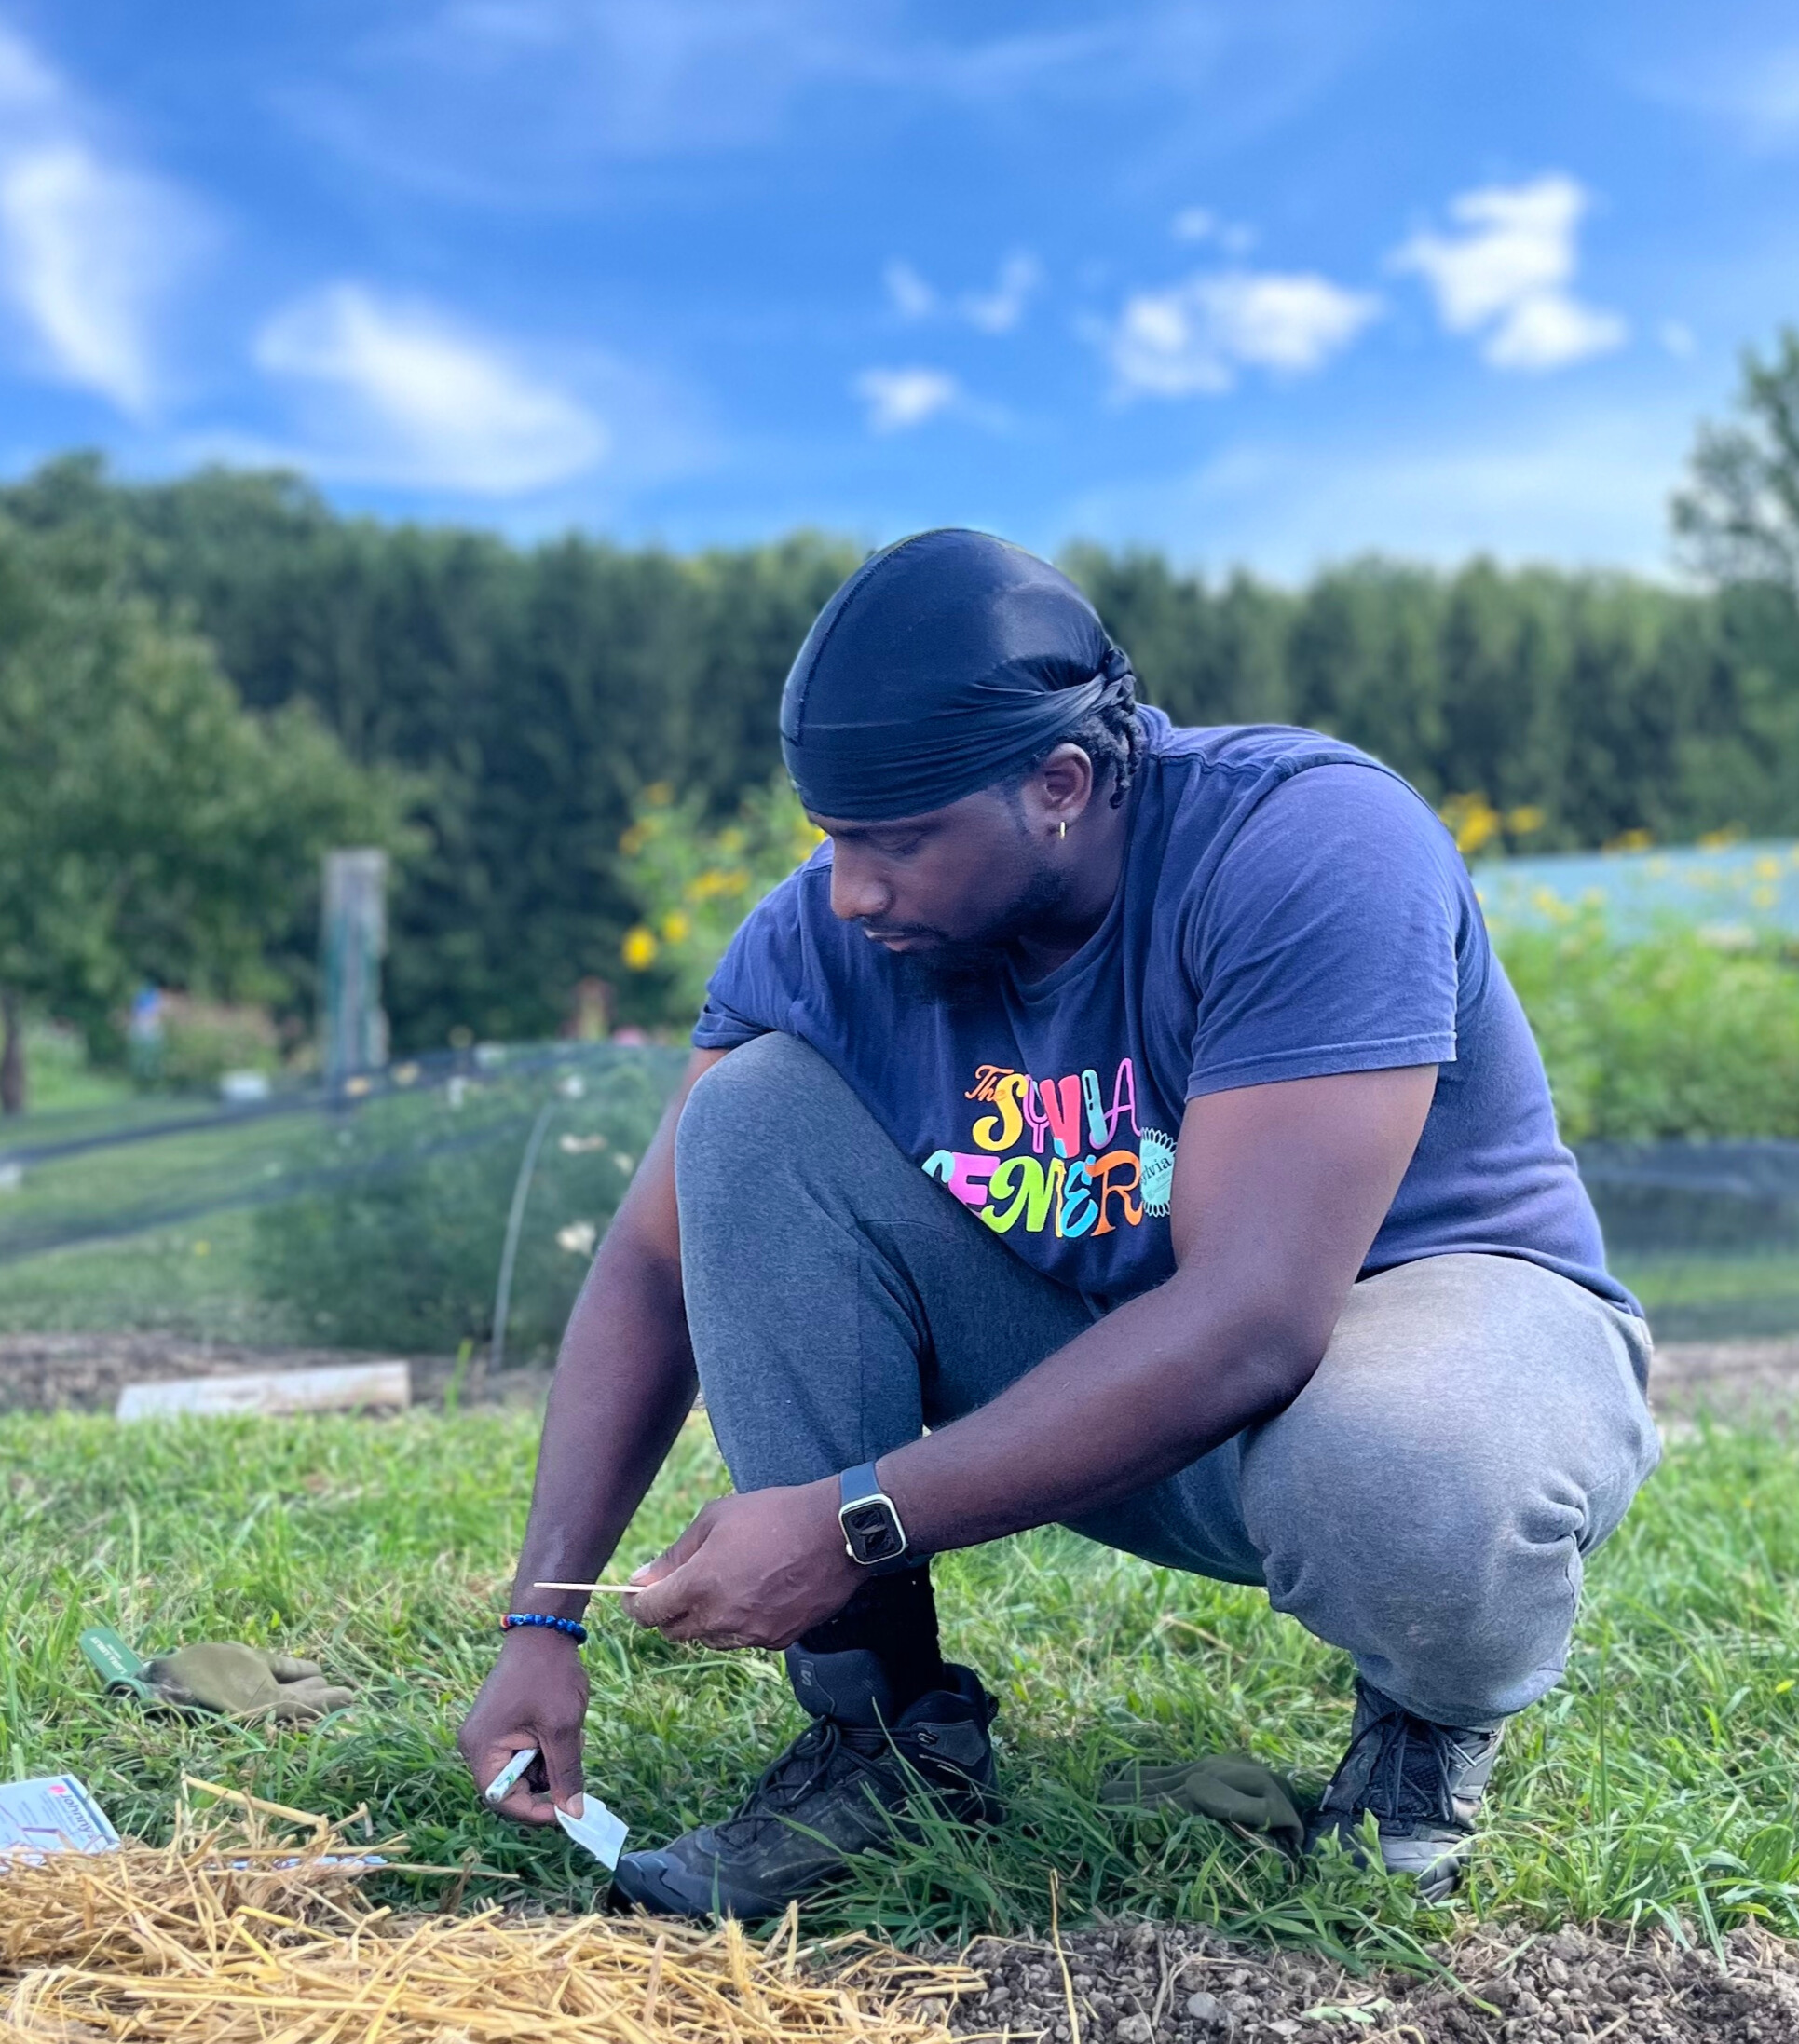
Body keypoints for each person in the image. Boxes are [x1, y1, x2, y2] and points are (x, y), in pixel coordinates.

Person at [458, 529, 1660, 1919]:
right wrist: (543, 1617)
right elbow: (653, 1262)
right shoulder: (829, 937)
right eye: (834, 838)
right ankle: (884, 1735)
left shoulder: (1306, 843)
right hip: (1108, 1374)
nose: (852, 891)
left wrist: (851, 1518)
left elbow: (1256, 1316)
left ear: (1061, 783)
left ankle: (1422, 1722)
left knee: (1401, 1469)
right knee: (748, 1116)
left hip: (1399, 1344)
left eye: (898, 840)